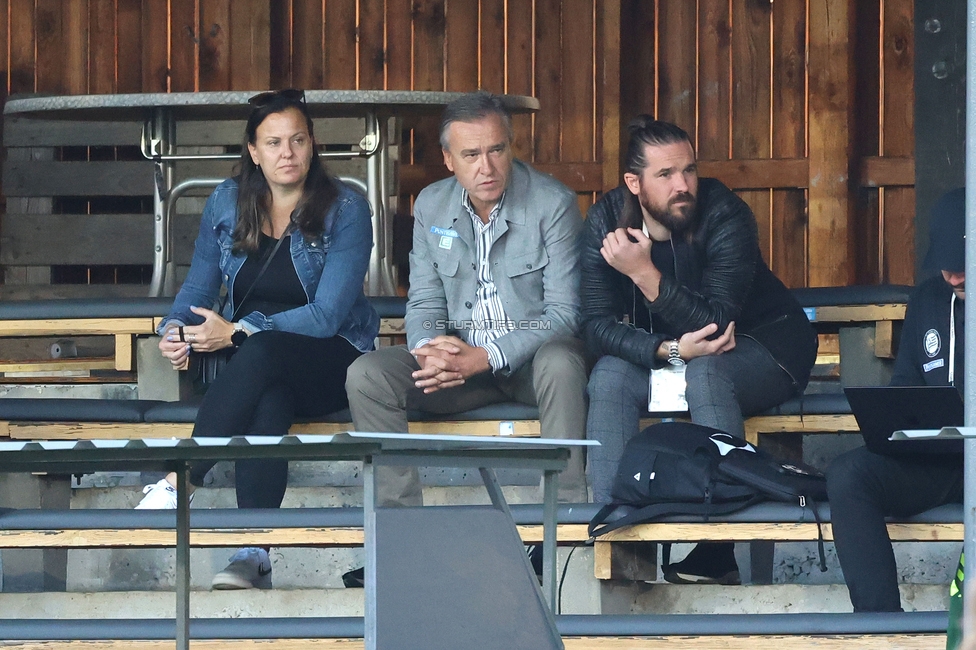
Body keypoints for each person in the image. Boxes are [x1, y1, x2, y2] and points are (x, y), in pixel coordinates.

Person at [137, 88, 379, 591]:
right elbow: (198, 288)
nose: (286, 153)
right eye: (273, 142)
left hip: (332, 359)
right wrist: (176, 331)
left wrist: (240, 331)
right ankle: (252, 555)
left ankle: (181, 478)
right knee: (268, 393)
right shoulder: (227, 203)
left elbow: (327, 315)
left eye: (297, 140)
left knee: (263, 351)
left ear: (313, 145)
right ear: (252, 150)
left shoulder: (347, 209)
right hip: (255, 365)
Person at [342, 92, 588, 584]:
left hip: (531, 364)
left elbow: (565, 314)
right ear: (448, 159)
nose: (487, 166)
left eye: (497, 150)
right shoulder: (431, 204)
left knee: (563, 362)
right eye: (471, 155)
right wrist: (431, 349)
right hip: (459, 365)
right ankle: (402, 543)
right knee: (367, 374)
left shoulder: (552, 204)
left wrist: (487, 356)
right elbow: (426, 302)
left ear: (511, 147)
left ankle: (564, 538)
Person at [579, 117, 818, 584]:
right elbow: (594, 326)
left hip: (763, 343)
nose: (683, 185)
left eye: (689, 170)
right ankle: (615, 534)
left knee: (707, 373)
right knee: (607, 373)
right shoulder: (606, 220)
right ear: (634, 182)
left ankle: (716, 548)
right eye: (666, 175)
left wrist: (643, 273)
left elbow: (715, 323)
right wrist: (667, 350)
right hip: (670, 352)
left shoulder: (724, 212)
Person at [827, 188, 966, 613]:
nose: (952, 277)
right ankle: (879, 624)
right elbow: (907, 382)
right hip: (939, 458)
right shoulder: (928, 300)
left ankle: (970, 624)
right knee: (849, 475)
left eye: (961, 266)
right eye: (944, 266)